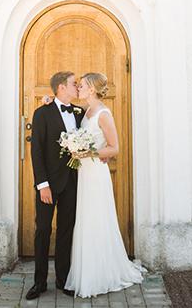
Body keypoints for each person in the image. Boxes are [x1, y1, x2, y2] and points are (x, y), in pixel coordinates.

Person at [64, 73, 143, 297]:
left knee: (96, 219)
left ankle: (99, 275)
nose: (78, 87)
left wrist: (89, 152)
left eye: (82, 85)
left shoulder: (103, 113)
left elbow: (114, 147)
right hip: (84, 173)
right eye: (78, 85)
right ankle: (86, 272)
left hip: (96, 173)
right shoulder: (85, 111)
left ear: (92, 89)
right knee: (85, 220)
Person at [26, 71, 84, 301]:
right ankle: (39, 282)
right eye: (73, 84)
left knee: (66, 231)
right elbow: (37, 151)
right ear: (61, 87)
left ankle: (63, 280)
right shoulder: (42, 113)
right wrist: (42, 185)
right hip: (48, 184)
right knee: (42, 231)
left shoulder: (79, 114)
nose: (77, 87)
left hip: (71, 181)